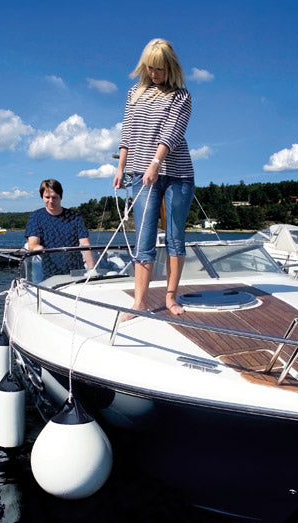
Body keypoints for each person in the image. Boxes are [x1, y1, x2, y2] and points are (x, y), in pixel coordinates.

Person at [113, 38, 194, 318]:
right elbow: (127, 132)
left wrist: (156, 163)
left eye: (160, 68)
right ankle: (139, 302)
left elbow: (172, 132)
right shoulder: (134, 93)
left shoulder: (181, 96)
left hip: (177, 175)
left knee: (175, 238)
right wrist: (121, 168)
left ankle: (171, 297)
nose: (154, 73)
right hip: (141, 173)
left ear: (170, 67)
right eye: (150, 68)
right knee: (144, 239)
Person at [25, 179, 94, 277]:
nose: (51, 201)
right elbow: (33, 244)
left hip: (76, 273)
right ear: (42, 197)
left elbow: (85, 244)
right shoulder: (35, 217)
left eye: (54, 197)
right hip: (48, 275)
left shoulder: (75, 217)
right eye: (47, 197)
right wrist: (41, 249)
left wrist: (92, 270)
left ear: (60, 197)